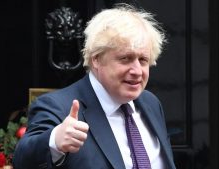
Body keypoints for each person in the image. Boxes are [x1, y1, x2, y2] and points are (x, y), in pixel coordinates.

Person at [13, 3, 176, 169]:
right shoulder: (58, 107)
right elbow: (22, 161)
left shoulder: (151, 103)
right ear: (96, 59)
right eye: (125, 58)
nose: (137, 71)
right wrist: (54, 141)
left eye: (143, 60)